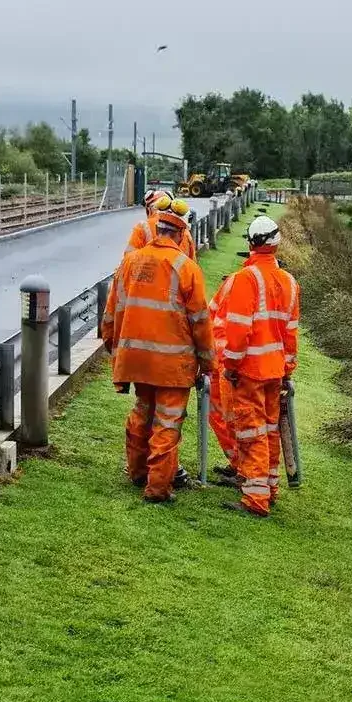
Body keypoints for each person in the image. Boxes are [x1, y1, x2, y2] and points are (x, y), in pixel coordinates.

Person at [101, 202, 214, 503]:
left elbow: (112, 309)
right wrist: (207, 362)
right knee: (167, 422)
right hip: (172, 364)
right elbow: (200, 321)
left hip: (136, 360)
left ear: (156, 229)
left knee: (142, 411)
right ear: (180, 235)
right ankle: (158, 488)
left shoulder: (130, 262)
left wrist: (112, 343)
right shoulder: (187, 268)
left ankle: (137, 472)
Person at [219, 213, 300, 517]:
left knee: (251, 433)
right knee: (269, 431)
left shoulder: (245, 279)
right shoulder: (290, 282)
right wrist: (287, 370)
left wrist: (230, 365)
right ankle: (270, 488)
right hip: (276, 371)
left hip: (250, 371)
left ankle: (255, 500)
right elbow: (291, 334)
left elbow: (238, 331)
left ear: (251, 244)